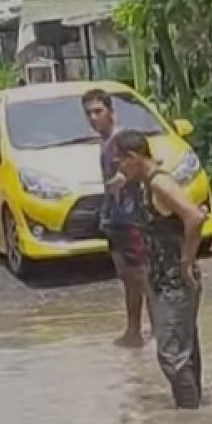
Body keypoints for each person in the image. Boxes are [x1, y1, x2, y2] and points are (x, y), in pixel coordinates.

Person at [110, 129, 208, 409]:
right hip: (162, 279)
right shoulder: (146, 178)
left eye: (120, 162)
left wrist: (187, 261)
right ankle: (192, 413)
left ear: (133, 157)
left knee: (172, 355)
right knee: (184, 351)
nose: (118, 167)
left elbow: (194, 217)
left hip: (175, 281)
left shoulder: (159, 184)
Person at [84, 88, 149, 348]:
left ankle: (143, 331)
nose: (93, 118)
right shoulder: (106, 141)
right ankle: (136, 331)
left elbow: (140, 167)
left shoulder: (121, 141)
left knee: (139, 276)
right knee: (127, 277)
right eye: (88, 113)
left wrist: (117, 182)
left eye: (98, 111)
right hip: (115, 218)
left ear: (111, 111)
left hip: (129, 217)